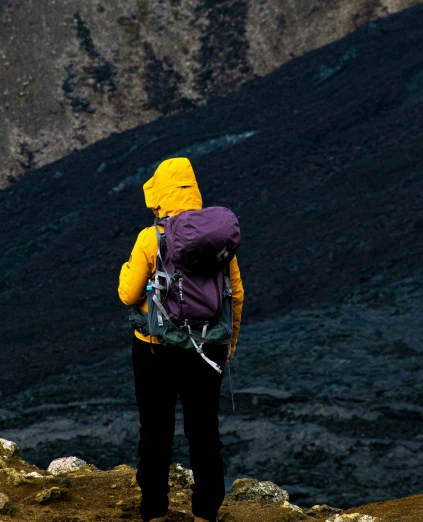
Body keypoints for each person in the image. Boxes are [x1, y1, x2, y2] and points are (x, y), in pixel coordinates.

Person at [118, 157, 244, 522]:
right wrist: (228, 345)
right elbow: (235, 293)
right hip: (209, 348)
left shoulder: (151, 238)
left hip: (154, 348)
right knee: (204, 432)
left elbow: (128, 295)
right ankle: (205, 513)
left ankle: (154, 512)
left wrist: (129, 270)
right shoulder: (219, 238)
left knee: (155, 431)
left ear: (158, 192)